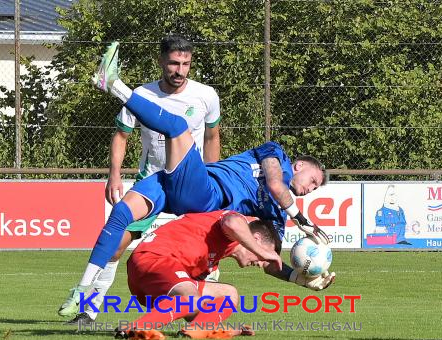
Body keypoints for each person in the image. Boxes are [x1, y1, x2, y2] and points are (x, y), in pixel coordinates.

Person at [57, 42, 330, 318]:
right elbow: (275, 184)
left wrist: (299, 278)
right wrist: (302, 219)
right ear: (300, 165)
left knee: (177, 126)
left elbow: (267, 259)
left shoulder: (275, 216)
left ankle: (114, 85)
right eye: (314, 180)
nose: (311, 189)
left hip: (202, 194)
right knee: (119, 217)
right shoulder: (275, 153)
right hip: (169, 180)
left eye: (315, 188)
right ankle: (82, 294)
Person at [60, 35, 222, 323]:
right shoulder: (142, 96)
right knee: (118, 241)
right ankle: (88, 309)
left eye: (186, 64)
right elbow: (121, 135)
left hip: (191, 183)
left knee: (206, 250)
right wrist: (114, 175)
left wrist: (212, 177)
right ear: (161, 62)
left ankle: (198, 308)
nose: (179, 70)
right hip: (155, 181)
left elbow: (212, 136)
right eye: (173, 63)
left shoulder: (206, 95)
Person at [111, 210, 335, 340]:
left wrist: (299, 279)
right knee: (191, 296)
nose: (259, 263)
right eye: (260, 255)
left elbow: (268, 265)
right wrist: (264, 252)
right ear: (255, 240)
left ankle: (192, 333)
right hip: (155, 260)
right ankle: (135, 328)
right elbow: (232, 222)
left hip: (152, 281)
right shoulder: (234, 221)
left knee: (227, 295)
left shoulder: (229, 244)